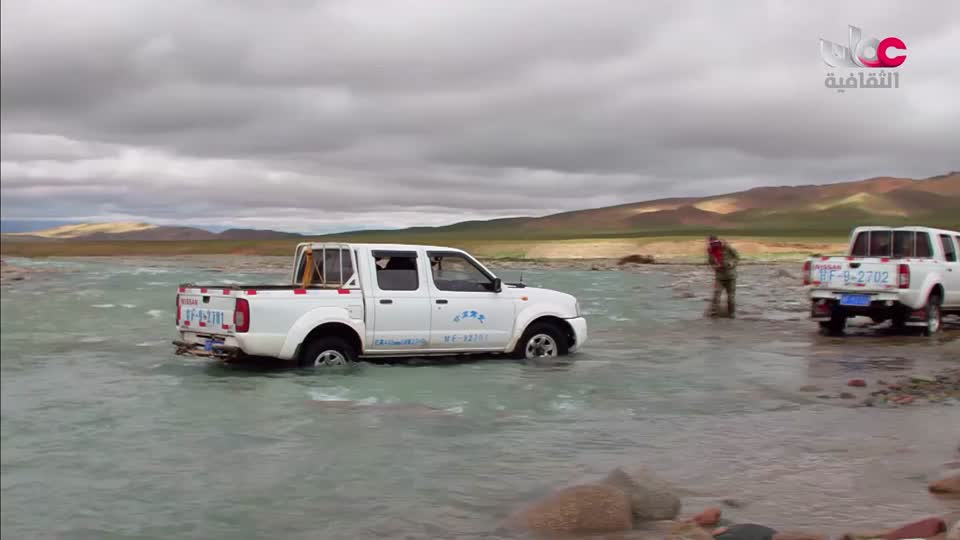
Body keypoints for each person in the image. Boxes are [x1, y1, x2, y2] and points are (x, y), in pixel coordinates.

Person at [706, 235, 740, 318]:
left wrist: (731, 263)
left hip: (731, 276)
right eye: (712, 244)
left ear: (718, 242)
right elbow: (710, 261)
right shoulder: (711, 251)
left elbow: (737, 257)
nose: (714, 245)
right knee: (716, 295)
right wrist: (714, 267)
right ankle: (714, 313)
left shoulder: (727, 248)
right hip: (720, 277)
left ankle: (731, 313)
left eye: (715, 243)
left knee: (731, 298)